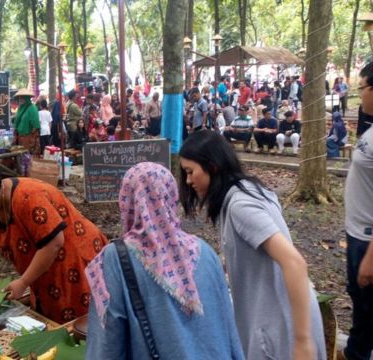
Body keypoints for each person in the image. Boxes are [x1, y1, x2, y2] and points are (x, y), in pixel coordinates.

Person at [179, 130, 326, 360]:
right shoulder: (244, 192)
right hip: (279, 322)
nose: (188, 181)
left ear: (213, 166)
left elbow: (295, 263)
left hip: (284, 330)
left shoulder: (240, 205)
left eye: (190, 172)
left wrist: (302, 342)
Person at [85, 163, 244, 359]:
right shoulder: (205, 252)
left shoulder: (114, 259)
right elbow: (228, 327)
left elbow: (107, 344)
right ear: (171, 197)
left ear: (128, 199)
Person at [0, 166, 108, 323]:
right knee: (51, 314)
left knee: (78, 321)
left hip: (74, 258)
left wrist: (23, 282)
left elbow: (53, 243)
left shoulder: (27, 197)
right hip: (47, 264)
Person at [340, 61, 373, 360]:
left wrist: (371, 258)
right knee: (359, 303)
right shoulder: (371, 128)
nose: (359, 96)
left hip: (368, 241)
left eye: (361, 88)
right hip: (357, 234)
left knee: (366, 312)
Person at [12, 89, 40, 156]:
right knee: (19, 155)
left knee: (26, 155)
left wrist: (32, 138)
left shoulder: (32, 108)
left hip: (28, 137)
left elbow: (35, 124)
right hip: (19, 136)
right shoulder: (20, 108)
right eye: (19, 98)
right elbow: (16, 120)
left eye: (22, 97)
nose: (20, 99)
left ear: (27, 98)